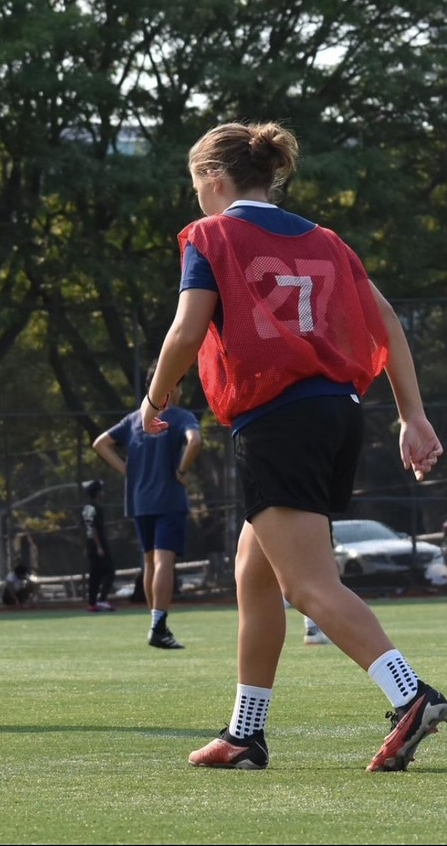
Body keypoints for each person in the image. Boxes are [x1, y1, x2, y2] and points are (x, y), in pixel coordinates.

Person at [139, 120, 445, 771]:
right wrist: (411, 415)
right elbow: (385, 321)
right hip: (337, 414)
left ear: (214, 181)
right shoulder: (327, 241)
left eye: (198, 186)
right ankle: (246, 733)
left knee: (308, 584)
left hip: (276, 422)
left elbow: (187, 332)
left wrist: (154, 398)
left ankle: (410, 696)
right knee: (256, 569)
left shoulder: (212, 236)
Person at [93, 359, 202, 649]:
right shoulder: (179, 416)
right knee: (164, 561)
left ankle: (155, 625)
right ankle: (159, 625)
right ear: (171, 386)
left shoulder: (134, 420)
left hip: (140, 501)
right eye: (178, 384)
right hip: (169, 499)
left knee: (150, 561)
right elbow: (195, 441)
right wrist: (181, 471)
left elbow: (100, 443)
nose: (180, 391)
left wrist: (127, 469)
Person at [81, 479, 116, 612]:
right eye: (101, 490)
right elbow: (94, 528)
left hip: (89, 543)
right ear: (97, 493)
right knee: (110, 570)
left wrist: (87, 545)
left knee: (94, 574)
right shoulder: (97, 508)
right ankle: (102, 599)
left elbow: (85, 528)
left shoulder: (85, 508)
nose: (103, 493)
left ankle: (92, 603)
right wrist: (99, 546)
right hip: (98, 542)